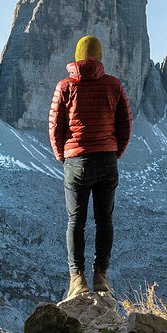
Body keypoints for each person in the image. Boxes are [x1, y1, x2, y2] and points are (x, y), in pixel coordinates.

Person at [48, 35, 132, 299]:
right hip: (107, 159)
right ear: (99, 57)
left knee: (76, 220)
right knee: (104, 219)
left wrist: (63, 155)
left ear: (77, 57)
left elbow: (55, 127)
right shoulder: (113, 85)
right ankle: (101, 277)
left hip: (77, 162)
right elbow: (125, 125)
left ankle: (77, 279)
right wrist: (115, 152)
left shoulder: (65, 86)